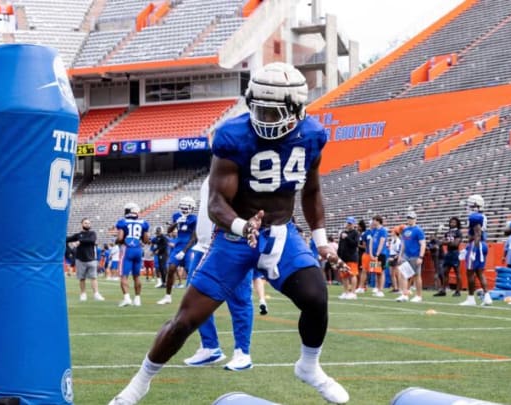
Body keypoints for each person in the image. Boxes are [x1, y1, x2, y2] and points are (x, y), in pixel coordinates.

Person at [109, 62, 349, 404]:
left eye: (272, 111)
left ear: (296, 108)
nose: (263, 118)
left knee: (316, 296)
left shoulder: (312, 134)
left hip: (281, 233)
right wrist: (241, 225)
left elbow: (311, 192)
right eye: (259, 109)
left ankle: (309, 367)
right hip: (235, 238)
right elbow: (217, 201)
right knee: (186, 320)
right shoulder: (233, 135)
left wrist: (322, 241)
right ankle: (140, 383)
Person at [182, 176, 255, 371]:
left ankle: (242, 352)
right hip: (204, 246)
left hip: (231, 244)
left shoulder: (240, 168)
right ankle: (210, 346)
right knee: (194, 300)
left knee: (239, 300)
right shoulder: (215, 171)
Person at [157, 197, 197, 304]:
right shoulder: (176, 216)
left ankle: (193, 298)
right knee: (171, 269)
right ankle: (167, 296)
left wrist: (184, 251)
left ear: (192, 208)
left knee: (190, 272)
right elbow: (169, 231)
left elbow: (193, 238)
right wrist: (176, 222)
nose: (184, 210)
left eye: (186, 208)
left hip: (188, 248)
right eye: (182, 207)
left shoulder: (195, 219)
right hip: (178, 246)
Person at [460, 195, 493, 306]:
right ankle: (487, 297)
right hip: (482, 244)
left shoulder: (475, 217)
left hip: (476, 245)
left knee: (470, 273)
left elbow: (477, 233)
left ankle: (470, 299)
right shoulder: (482, 216)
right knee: (480, 272)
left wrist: (473, 249)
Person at [116, 203, 150, 307]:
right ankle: (137, 299)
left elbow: (120, 238)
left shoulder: (122, 222)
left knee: (124, 275)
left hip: (127, 250)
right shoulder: (143, 223)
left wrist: (117, 240)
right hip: (138, 250)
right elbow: (146, 240)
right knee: (137, 276)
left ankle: (127, 298)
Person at [66, 218, 105, 302]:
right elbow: (67, 239)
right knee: (82, 278)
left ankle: (96, 294)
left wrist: (79, 241)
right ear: (82, 224)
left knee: (93, 278)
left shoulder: (92, 233)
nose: (87, 224)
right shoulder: (78, 235)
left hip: (91, 259)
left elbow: (91, 240)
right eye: (85, 223)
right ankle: (83, 294)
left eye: (88, 223)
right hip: (80, 259)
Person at [396, 211, 425, 302]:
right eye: (408, 218)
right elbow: (404, 243)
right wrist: (400, 255)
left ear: (415, 219)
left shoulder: (418, 230)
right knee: (403, 274)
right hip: (406, 255)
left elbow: (423, 244)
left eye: (411, 218)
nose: (410, 220)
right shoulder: (405, 230)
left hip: (415, 255)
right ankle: (404, 294)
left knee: (417, 275)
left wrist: (421, 257)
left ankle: (419, 295)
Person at [435, 217, 462, 297]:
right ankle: (443, 290)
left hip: (455, 253)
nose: (452, 224)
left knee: (457, 272)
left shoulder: (458, 232)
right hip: (448, 253)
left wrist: (445, 242)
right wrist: (446, 242)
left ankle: (458, 291)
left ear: (457, 223)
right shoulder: (447, 232)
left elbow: (455, 244)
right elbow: (441, 242)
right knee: (445, 272)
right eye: (451, 222)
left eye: (454, 222)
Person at [337, 216, 359, 300]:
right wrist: (338, 256)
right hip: (343, 258)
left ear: (353, 224)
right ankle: (346, 292)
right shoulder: (343, 233)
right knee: (344, 275)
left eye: (350, 223)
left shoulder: (355, 233)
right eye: (348, 223)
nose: (348, 225)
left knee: (352, 274)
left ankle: (353, 293)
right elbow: (340, 245)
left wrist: (347, 237)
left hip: (352, 257)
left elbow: (355, 244)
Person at [367, 215, 388, 297]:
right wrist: (371, 253)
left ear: (378, 221)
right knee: (376, 272)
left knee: (381, 271)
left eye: (374, 220)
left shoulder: (383, 230)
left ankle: (381, 290)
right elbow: (371, 242)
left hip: (381, 254)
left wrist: (377, 254)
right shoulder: (374, 230)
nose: (373, 222)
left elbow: (381, 242)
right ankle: (377, 288)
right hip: (374, 254)